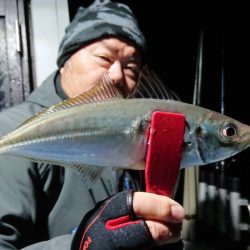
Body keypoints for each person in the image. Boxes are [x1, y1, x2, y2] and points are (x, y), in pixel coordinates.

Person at [0, 0, 185, 249]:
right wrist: (81, 244)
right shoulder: (9, 128)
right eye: (103, 57)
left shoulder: (141, 134)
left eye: (132, 67)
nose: (117, 75)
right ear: (65, 62)